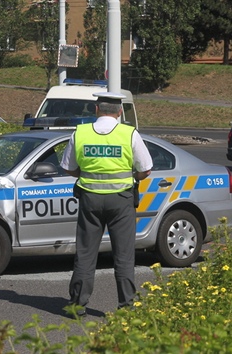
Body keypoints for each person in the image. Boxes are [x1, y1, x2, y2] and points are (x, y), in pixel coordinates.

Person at [60, 92, 153, 316]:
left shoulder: (80, 133)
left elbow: (68, 167)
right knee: (123, 256)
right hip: (121, 201)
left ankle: (77, 305)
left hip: (89, 200)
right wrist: (133, 178)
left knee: (85, 253)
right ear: (120, 111)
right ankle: (126, 308)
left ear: (96, 109)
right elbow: (145, 169)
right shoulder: (129, 133)